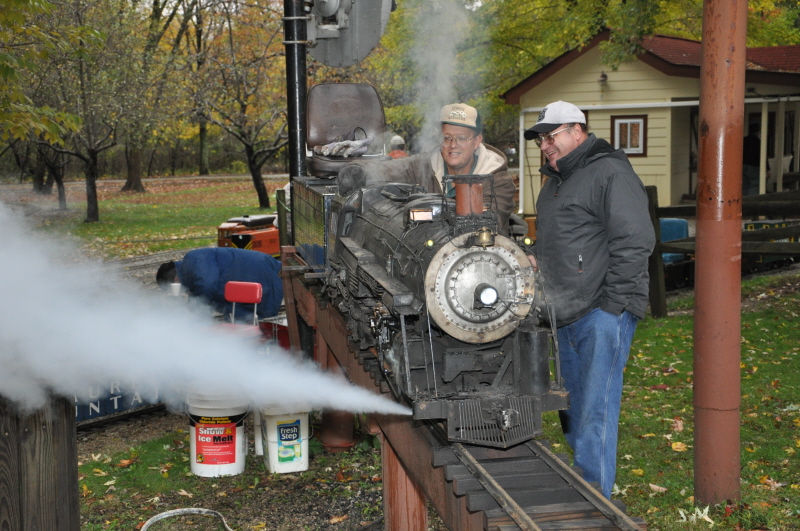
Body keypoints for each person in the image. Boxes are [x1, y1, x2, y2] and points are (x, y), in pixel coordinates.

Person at [524, 100, 655, 498]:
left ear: (578, 131)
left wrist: (612, 307)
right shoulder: (554, 184)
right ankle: (584, 481)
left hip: (602, 312)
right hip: (563, 313)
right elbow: (559, 243)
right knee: (573, 407)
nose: (545, 145)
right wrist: (533, 258)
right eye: (541, 139)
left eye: (552, 135)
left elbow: (636, 241)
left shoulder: (610, 172)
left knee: (596, 407)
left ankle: (595, 500)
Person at [338, 103, 516, 234]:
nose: (453, 145)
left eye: (461, 138)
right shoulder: (424, 165)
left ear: (477, 141)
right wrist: (358, 171)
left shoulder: (497, 180)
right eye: (447, 138)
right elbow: (390, 169)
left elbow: (486, 219)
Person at [156, 247, 283, 322]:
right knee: (241, 323)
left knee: (265, 326)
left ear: (175, 280)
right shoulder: (191, 273)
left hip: (261, 276)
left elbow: (207, 285)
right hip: (247, 285)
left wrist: (196, 309)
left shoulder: (193, 259)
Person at [742, 123, 761, 196]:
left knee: (744, 185)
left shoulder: (744, 140)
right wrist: (767, 169)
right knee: (754, 185)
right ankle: (751, 200)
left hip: (743, 165)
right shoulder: (758, 141)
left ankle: (744, 200)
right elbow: (762, 154)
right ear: (757, 132)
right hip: (754, 165)